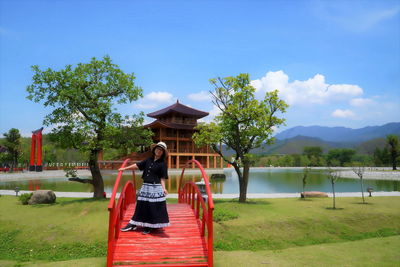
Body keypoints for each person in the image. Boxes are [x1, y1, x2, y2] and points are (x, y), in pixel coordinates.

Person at [119, 142, 170, 234]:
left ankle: (149, 226)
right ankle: (133, 224)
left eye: (161, 150)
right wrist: (124, 169)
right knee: (141, 205)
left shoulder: (162, 164)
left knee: (152, 207)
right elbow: (137, 165)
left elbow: (162, 178)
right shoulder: (148, 160)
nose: (159, 151)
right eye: (158, 149)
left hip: (155, 187)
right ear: (154, 150)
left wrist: (164, 188)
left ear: (163, 153)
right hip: (145, 186)